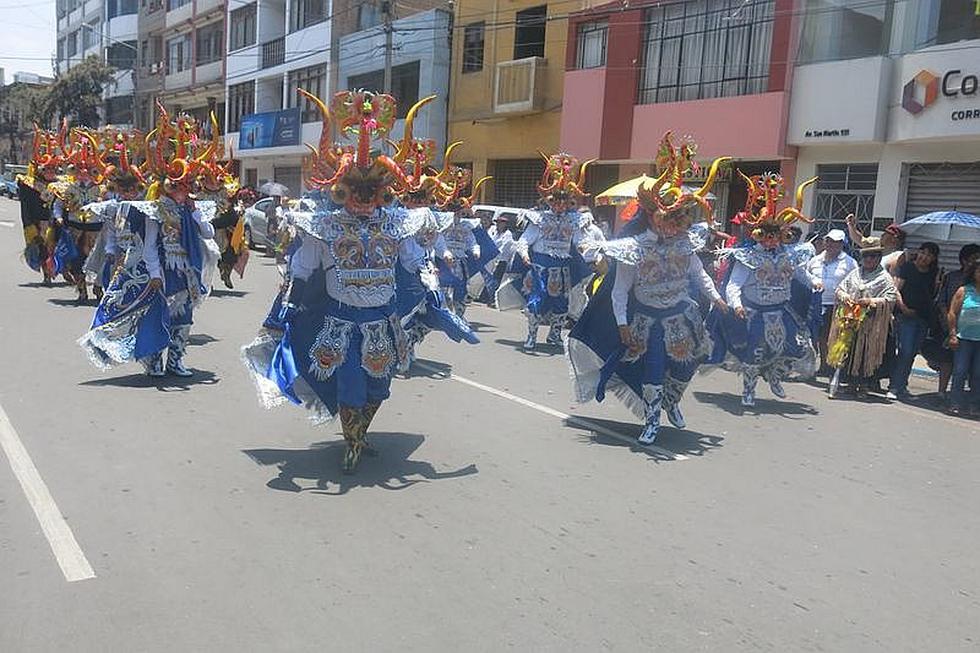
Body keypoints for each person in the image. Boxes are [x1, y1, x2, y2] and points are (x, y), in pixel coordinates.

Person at [242, 89, 452, 473]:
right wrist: (284, 309)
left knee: (380, 387)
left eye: (372, 190)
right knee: (351, 384)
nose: (364, 197)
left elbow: (415, 261)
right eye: (356, 189)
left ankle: (360, 432)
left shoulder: (398, 223)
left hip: (383, 323)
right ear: (341, 190)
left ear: (383, 192)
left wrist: (432, 287)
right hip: (341, 323)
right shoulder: (323, 226)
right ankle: (352, 441)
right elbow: (302, 271)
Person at [567, 132, 730, 444]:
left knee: (688, 365)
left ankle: (672, 401)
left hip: (683, 316)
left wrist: (717, 298)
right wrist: (623, 324)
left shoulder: (686, 243)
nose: (673, 225)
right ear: (651, 216)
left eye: (678, 218)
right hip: (648, 321)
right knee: (653, 369)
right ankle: (653, 418)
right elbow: (619, 290)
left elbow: (699, 274)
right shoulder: (634, 248)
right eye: (667, 218)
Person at [708, 171, 819, 406]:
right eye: (766, 237)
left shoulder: (789, 255)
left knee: (794, 347)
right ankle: (749, 389)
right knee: (755, 353)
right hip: (754, 312)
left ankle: (775, 376)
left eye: (775, 236)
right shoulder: (748, 256)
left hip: (780, 311)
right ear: (759, 236)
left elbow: (800, 273)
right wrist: (736, 305)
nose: (771, 241)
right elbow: (734, 284)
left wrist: (814, 282)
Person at [496, 152, 604, 351]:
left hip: (563, 270)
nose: (559, 206)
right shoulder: (539, 219)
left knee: (561, 305)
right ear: (549, 201)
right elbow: (524, 241)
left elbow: (581, 240)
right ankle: (531, 336)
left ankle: (554, 336)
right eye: (555, 202)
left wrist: (589, 249)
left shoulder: (574, 220)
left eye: (564, 202)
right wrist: (525, 255)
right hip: (540, 269)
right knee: (537, 301)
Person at [827, 239, 897, 397]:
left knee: (866, 353)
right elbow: (840, 289)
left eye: (873, 257)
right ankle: (850, 383)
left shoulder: (885, 278)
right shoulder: (855, 273)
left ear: (878, 258)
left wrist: (871, 301)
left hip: (871, 324)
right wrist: (845, 297)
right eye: (866, 257)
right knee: (849, 351)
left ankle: (864, 385)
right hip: (850, 319)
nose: (869, 260)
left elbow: (890, 298)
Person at [887, 241, 940, 401]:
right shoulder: (908, 268)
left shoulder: (933, 272)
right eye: (923, 252)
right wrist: (903, 308)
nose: (925, 257)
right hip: (906, 317)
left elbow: (932, 296)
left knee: (912, 354)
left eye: (930, 255)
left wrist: (938, 283)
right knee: (906, 351)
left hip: (923, 318)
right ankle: (894, 387)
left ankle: (902, 386)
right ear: (918, 252)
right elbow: (896, 289)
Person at [805, 229, 857, 375]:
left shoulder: (849, 262)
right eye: (828, 241)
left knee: (829, 337)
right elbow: (805, 276)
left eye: (835, 242)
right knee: (815, 336)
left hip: (836, 305)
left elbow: (855, 282)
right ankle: (819, 365)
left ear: (842, 244)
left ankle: (830, 365)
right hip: (815, 303)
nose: (831, 244)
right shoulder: (815, 260)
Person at [934, 244, 980, 397]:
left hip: (973, 334)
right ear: (964, 260)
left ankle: (971, 400)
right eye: (973, 259)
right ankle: (943, 392)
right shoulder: (952, 277)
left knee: (974, 369)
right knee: (949, 362)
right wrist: (949, 326)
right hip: (951, 328)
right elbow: (942, 302)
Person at [946, 258, 980, 416]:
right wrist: (952, 334)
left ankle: (974, 405)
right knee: (960, 371)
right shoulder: (964, 291)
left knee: (977, 374)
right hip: (964, 338)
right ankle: (955, 403)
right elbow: (952, 313)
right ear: (974, 273)